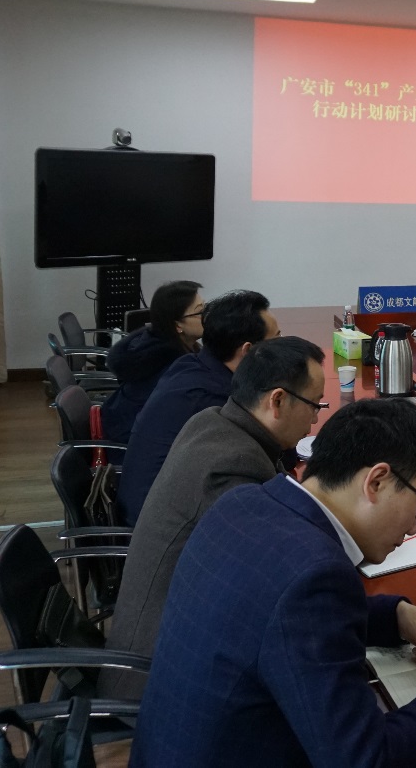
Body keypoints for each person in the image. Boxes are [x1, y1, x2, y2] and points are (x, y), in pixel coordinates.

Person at [130, 400, 416, 768]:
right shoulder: (316, 577)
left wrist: (391, 617)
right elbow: (366, 758)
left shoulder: (242, 502)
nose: (414, 528)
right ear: (376, 481)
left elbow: (274, 618)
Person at [99, 336, 326, 700]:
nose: (315, 419)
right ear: (278, 400)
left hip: (166, 636)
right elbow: (277, 575)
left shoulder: (213, 421)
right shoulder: (233, 466)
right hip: (157, 679)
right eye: (314, 405)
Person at [116, 289, 279, 526]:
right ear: (247, 351)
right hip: (162, 526)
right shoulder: (215, 401)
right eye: (276, 341)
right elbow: (265, 462)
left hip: (151, 503)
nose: (283, 349)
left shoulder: (190, 364)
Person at [100, 281, 204, 444]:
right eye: (200, 312)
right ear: (177, 325)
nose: (207, 316)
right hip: (129, 442)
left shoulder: (163, 345)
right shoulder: (169, 366)